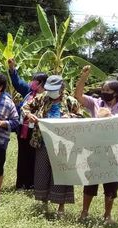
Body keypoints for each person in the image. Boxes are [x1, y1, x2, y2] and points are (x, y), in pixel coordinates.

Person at [22, 75, 81, 217]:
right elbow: (25, 107)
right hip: (43, 141)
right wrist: (29, 115)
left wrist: (71, 117)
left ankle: (61, 206)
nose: (50, 92)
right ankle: (43, 202)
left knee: (61, 173)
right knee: (42, 171)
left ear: (61, 88)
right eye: (49, 90)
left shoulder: (70, 101)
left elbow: (80, 118)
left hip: (63, 144)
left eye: (54, 90)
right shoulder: (42, 98)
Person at [75, 65, 118, 224]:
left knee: (111, 184)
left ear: (116, 93)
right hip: (95, 151)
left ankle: (107, 215)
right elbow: (78, 95)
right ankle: (84, 212)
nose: (103, 93)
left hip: (114, 153)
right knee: (91, 181)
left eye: (107, 90)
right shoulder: (95, 103)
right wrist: (83, 77)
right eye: (102, 89)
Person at [7, 58, 48, 190]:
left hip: (36, 131)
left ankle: (33, 184)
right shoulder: (29, 93)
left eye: (34, 80)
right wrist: (12, 69)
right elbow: (17, 83)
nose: (32, 82)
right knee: (23, 156)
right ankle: (21, 183)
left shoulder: (47, 96)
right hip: (23, 130)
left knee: (34, 157)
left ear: (40, 82)